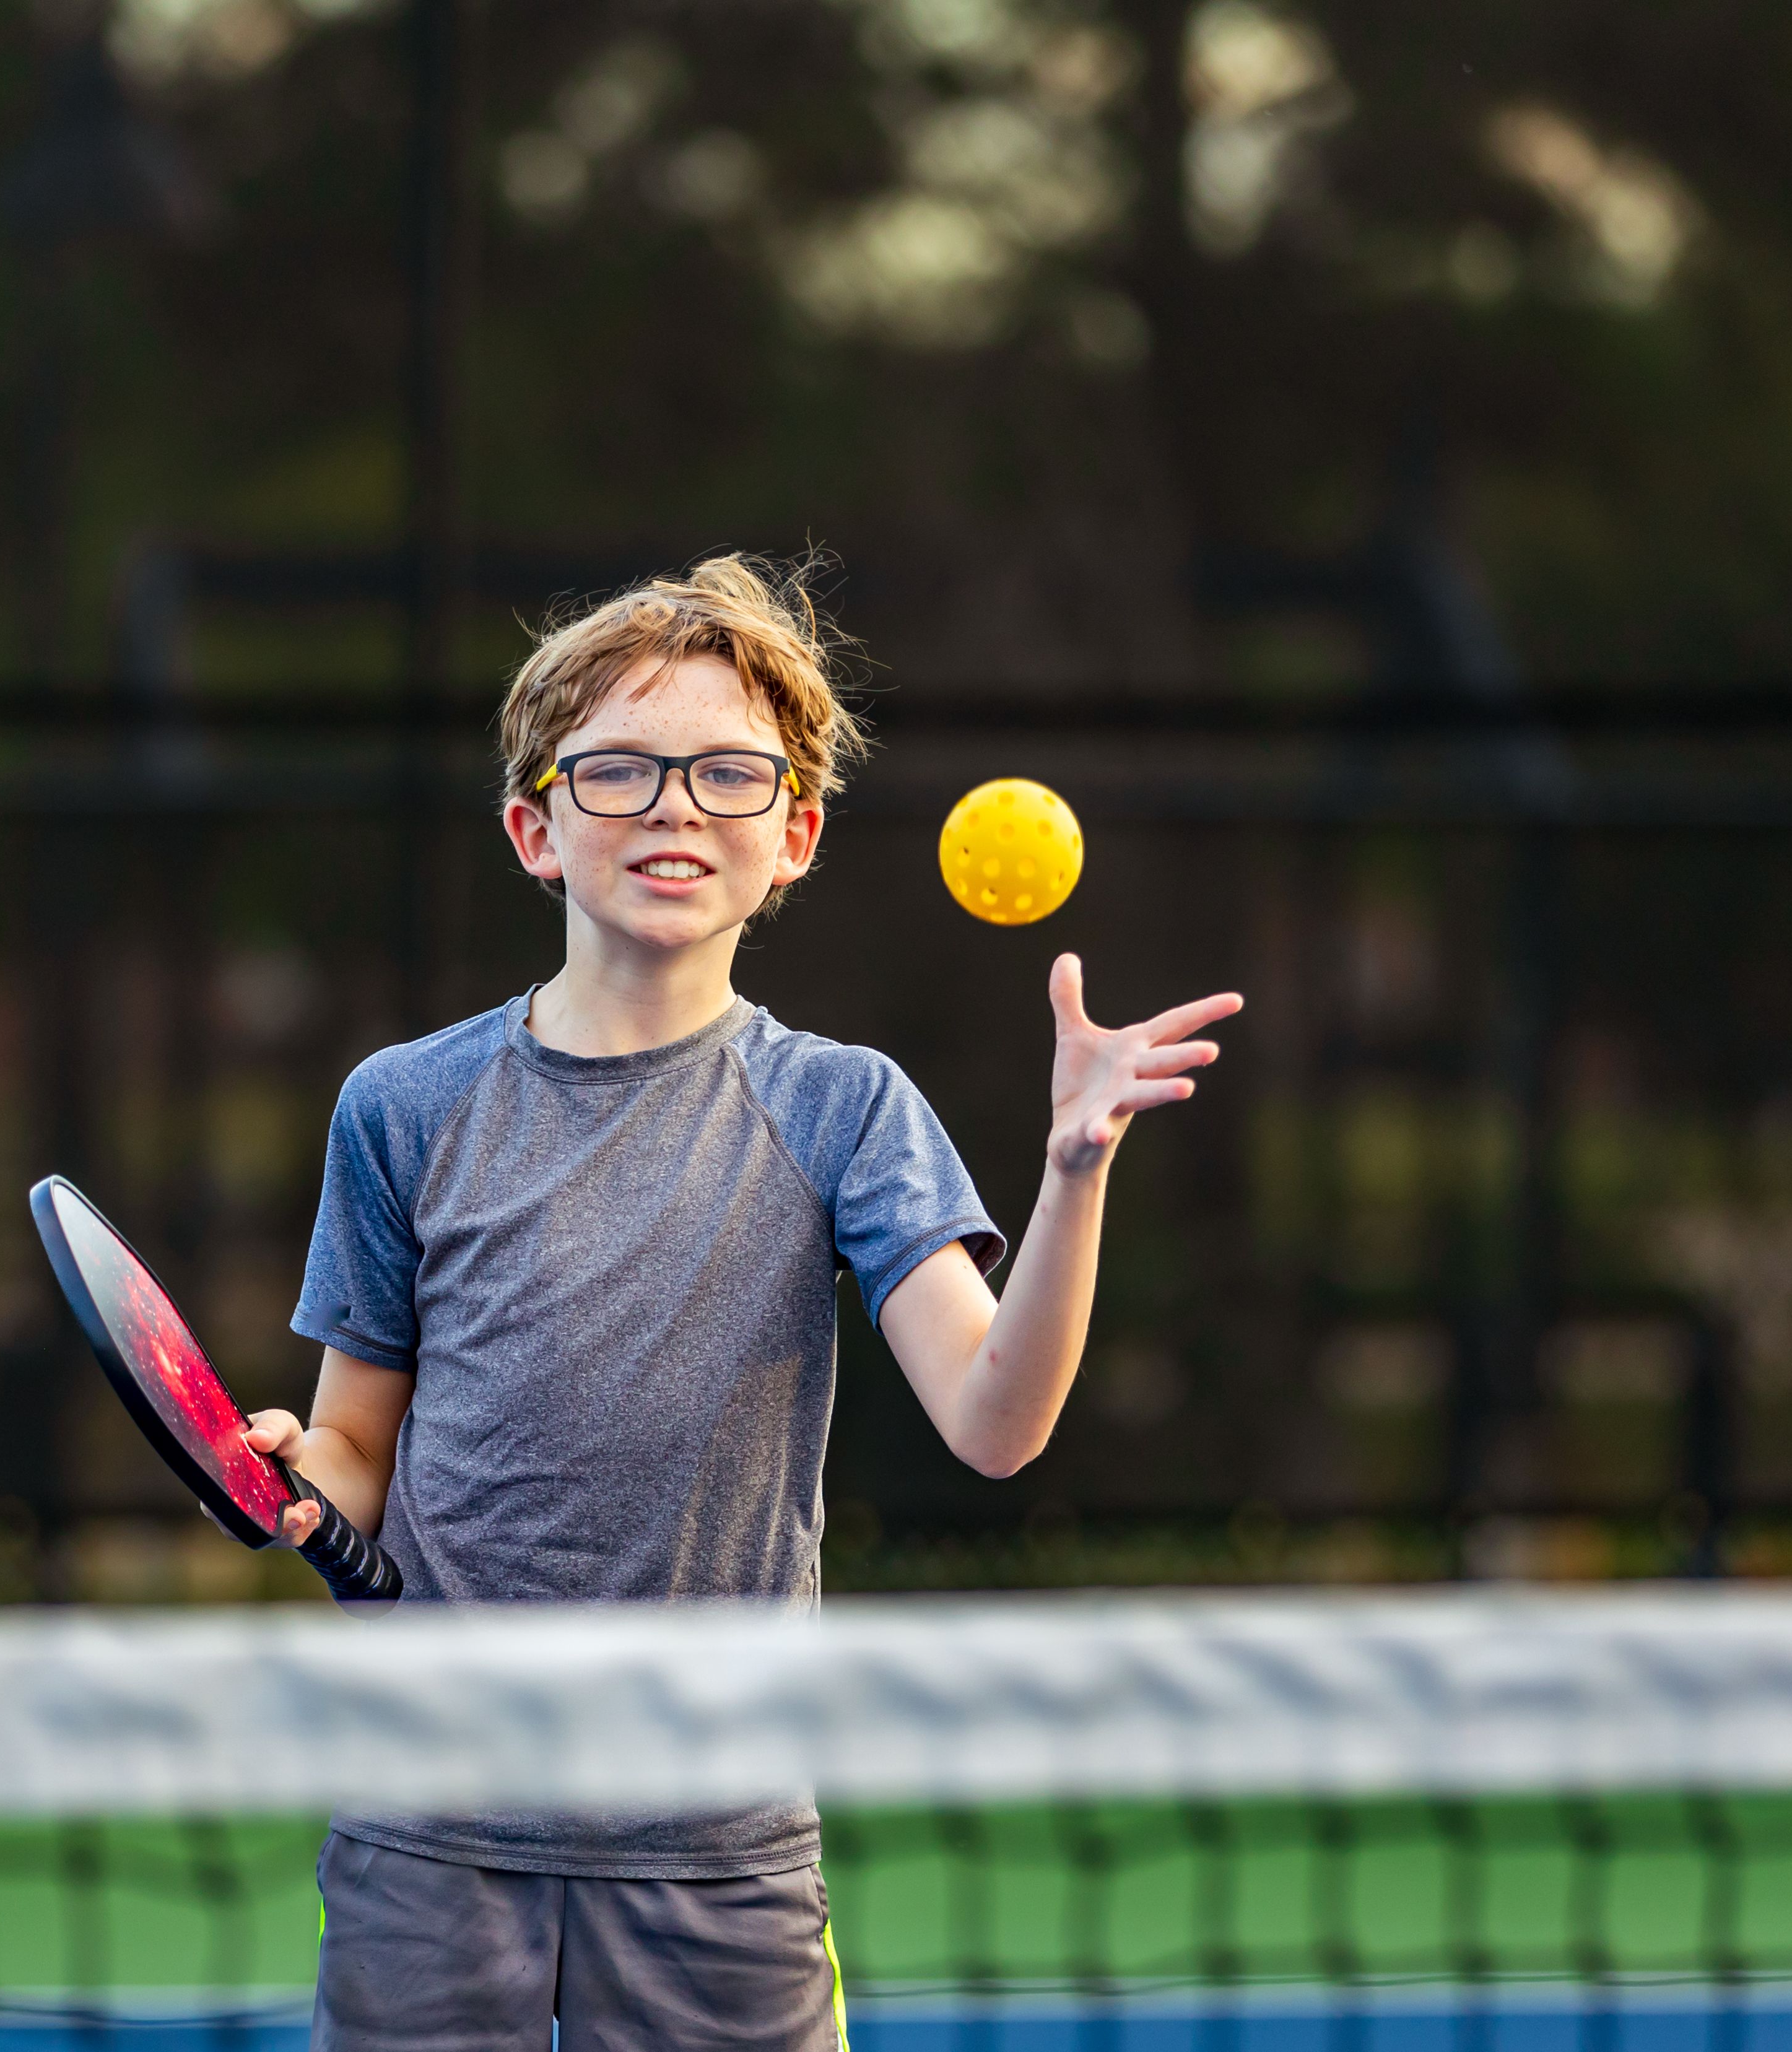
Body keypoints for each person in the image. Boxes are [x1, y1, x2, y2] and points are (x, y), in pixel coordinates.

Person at [246, 555, 1243, 2051]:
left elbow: (995, 1422)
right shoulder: (403, 1108)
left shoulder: (845, 1109)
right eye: (623, 771)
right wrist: (271, 1472)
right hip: (431, 1841)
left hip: (720, 1859)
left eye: (728, 774)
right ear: (536, 827)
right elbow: (354, 1460)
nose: (675, 807)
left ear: (796, 835)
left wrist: (1074, 1167)